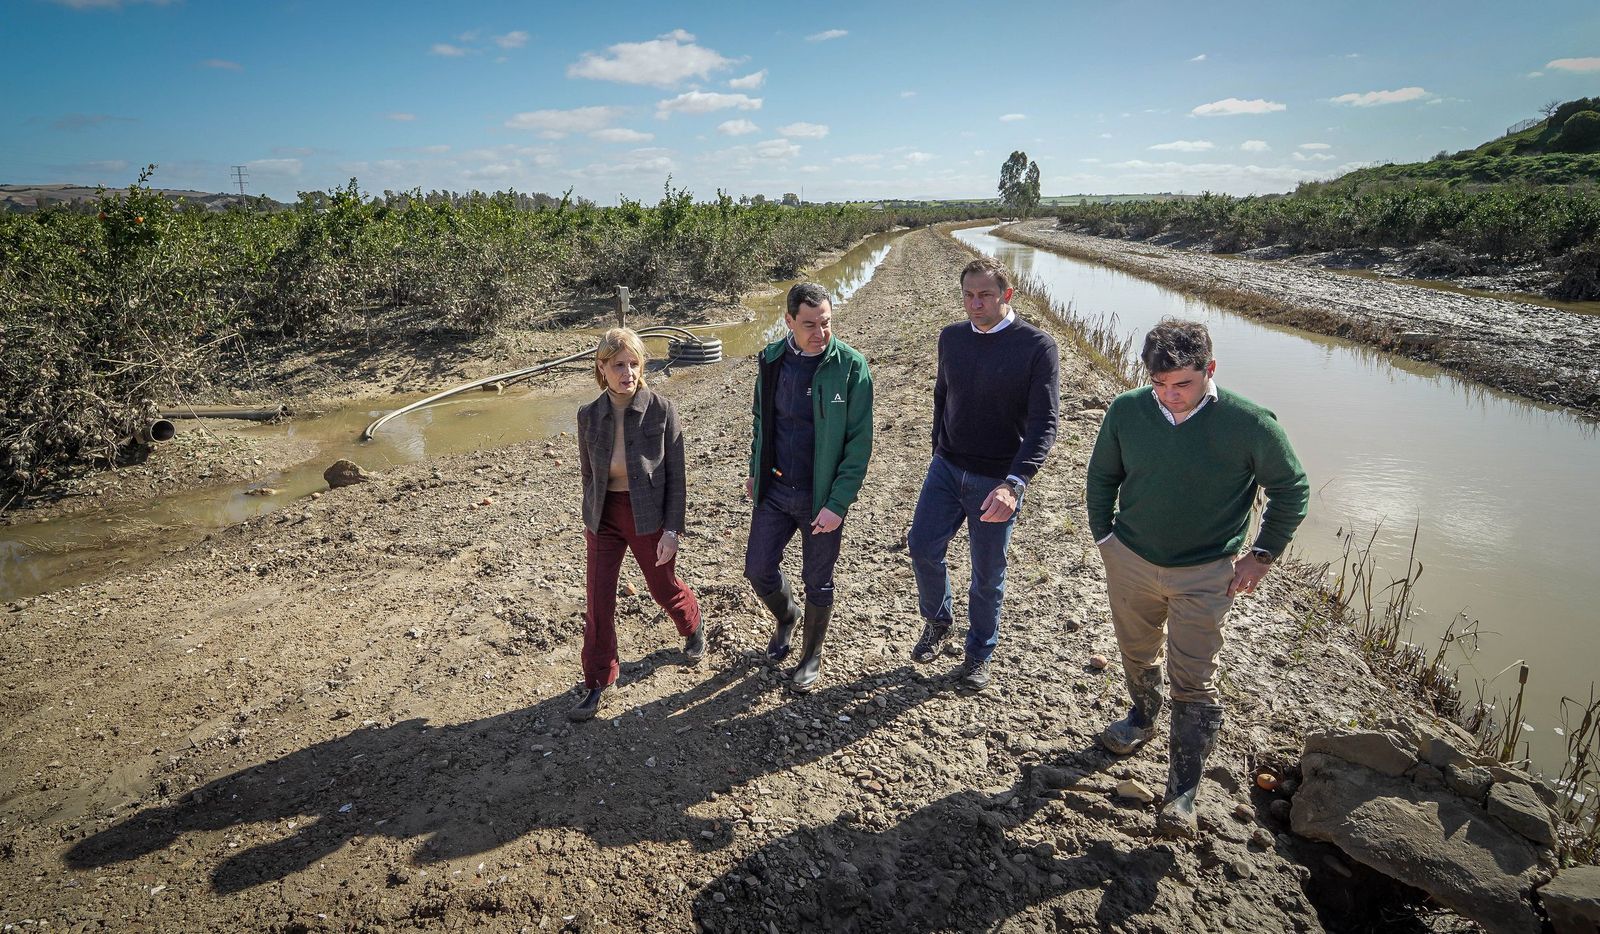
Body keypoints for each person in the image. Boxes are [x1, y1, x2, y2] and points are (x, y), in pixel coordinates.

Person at [1086, 317, 1309, 838]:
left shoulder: (1250, 423)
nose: (1169, 396)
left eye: (1182, 383)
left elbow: (1291, 489)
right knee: (1136, 650)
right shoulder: (1128, 410)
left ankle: (1182, 788)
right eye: (1159, 384)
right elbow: (1102, 476)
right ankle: (1142, 717)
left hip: (1207, 573)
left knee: (1195, 674)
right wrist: (1105, 539)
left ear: (1210, 369)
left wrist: (1263, 554)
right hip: (1132, 560)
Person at [907, 256, 1058, 691]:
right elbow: (942, 395)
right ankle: (938, 621)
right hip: (947, 467)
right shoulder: (951, 338)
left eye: (985, 295)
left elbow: (1045, 423)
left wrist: (1016, 482)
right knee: (922, 546)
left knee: (987, 573)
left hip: (998, 480)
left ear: (1007, 295)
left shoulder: (1036, 346)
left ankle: (978, 654)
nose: (976, 304)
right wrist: (938, 445)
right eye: (969, 295)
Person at [745, 282, 873, 693]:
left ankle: (810, 655)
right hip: (776, 490)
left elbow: (858, 444)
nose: (820, 333)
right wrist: (755, 470)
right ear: (789, 322)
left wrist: (838, 503)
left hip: (822, 499)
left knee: (818, 580)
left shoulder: (851, 367)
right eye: (810, 325)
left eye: (827, 323)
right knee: (758, 568)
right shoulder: (772, 359)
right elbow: (761, 422)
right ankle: (787, 617)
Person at [571, 328, 704, 721]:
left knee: (663, 588)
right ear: (602, 367)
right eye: (618, 365)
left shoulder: (662, 410)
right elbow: (588, 474)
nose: (627, 372)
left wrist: (671, 530)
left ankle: (692, 623)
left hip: (648, 515)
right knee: (598, 601)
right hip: (603, 518)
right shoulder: (588, 415)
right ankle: (597, 680)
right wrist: (590, 517)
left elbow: (677, 476)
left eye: (633, 364)